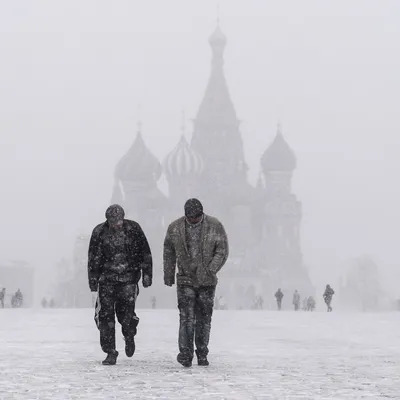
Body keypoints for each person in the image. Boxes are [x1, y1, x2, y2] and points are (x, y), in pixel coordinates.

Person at [164, 198, 229, 367]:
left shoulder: (215, 225)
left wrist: (210, 269)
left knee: (204, 319)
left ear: (202, 214)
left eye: (196, 217)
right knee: (186, 317)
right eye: (190, 217)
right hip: (185, 279)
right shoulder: (175, 228)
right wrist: (169, 274)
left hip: (207, 281)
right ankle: (185, 353)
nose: (193, 220)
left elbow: (221, 251)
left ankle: (202, 352)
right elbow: (169, 252)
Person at [88, 204, 153, 365]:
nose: (115, 224)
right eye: (112, 221)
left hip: (129, 279)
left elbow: (145, 252)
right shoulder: (99, 232)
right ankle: (110, 351)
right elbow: (93, 257)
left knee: (126, 314)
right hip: (106, 280)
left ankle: (129, 333)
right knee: (105, 316)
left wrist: (147, 274)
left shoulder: (133, 229)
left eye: (118, 221)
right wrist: (93, 280)